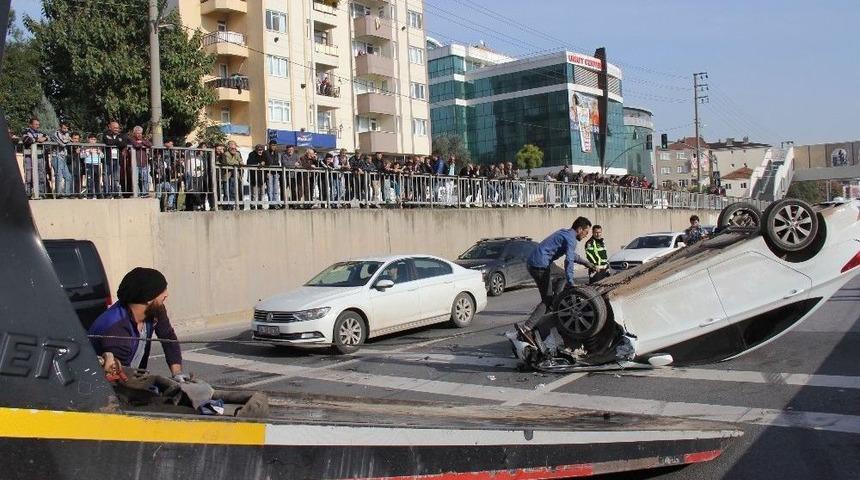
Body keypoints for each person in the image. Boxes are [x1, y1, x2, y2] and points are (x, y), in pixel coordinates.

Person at [87, 267, 186, 381]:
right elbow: (120, 378)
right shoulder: (117, 329)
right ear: (148, 298)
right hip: (107, 386)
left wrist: (177, 374)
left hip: (131, 378)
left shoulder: (154, 309)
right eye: (162, 291)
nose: (166, 294)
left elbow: (168, 337)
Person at [517, 217, 598, 341]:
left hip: (538, 263)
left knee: (561, 277)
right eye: (586, 232)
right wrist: (571, 282)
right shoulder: (571, 239)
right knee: (547, 300)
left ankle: (556, 301)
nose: (586, 235)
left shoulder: (566, 234)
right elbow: (569, 260)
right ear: (580, 229)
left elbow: (572, 255)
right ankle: (527, 328)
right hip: (540, 266)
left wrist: (587, 263)